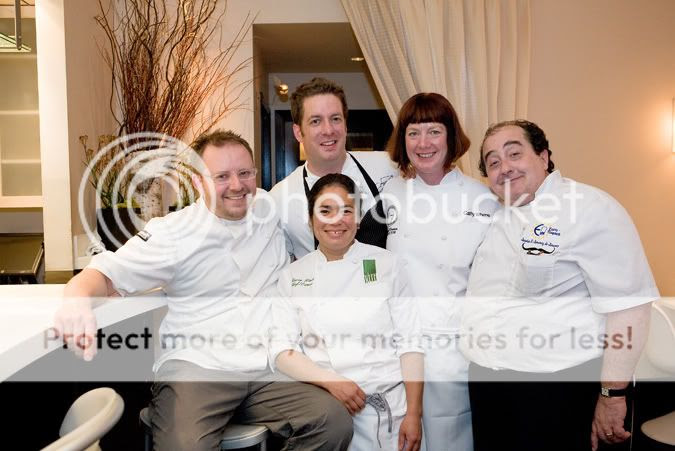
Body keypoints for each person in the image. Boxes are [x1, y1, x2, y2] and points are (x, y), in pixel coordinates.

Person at [53, 130, 353, 450]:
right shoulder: (172, 233)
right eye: (221, 176)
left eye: (245, 173)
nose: (236, 185)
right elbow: (105, 273)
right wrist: (76, 300)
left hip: (266, 369)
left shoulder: (267, 208)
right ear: (198, 182)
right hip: (197, 368)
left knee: (332, 422)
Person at [460, 120, 659, 451]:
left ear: (543, 156)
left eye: (514, 154)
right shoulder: (496, 216)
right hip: (488, 386)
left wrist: (612, 394)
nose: (504, 167)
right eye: (493, 162)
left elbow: (630, 308)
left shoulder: (590, 207)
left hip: (553, 390)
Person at [270, 174, 424, 451]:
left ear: (358, 218)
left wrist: (414, 414)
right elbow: (281, 351)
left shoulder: (387, 265)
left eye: (346, 210)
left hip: (392, 413)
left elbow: (410, 343)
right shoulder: (293, 276)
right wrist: (332, 382)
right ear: (310, 219)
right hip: (331, 417)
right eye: (325, 210)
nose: (336, 220)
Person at [382, 92, 499, 451]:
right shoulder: (390, 195)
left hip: (453, 348)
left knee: (451, 438)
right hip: (397, 347)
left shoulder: (484, 199)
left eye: (434, 131)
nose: (423, 143)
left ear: (451, 136)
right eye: (413, 133)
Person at [269, 77, 398, 259]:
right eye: (316, 121)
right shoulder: (279, 199)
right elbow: (281, 266)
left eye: (335, 119)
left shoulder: (389, 165)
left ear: (345, 125)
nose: (328, 130)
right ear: (298, 132)